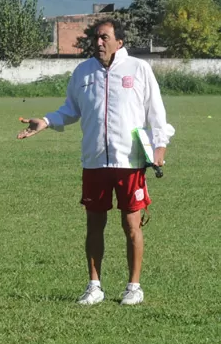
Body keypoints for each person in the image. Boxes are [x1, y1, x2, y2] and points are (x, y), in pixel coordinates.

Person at [17, 19, 174, 306]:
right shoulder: (82, 72)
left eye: (104, 37)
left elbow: (156, 113)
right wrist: (47, 121)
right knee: (94, 225)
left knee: (132, 225)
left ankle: (133, 287)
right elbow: (70, 109)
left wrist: (160, 146)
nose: (98, 42)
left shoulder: (139, 69)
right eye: (96, 38)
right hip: (94, 161)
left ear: (119, 42)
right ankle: (94, 286)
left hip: (130, 161)